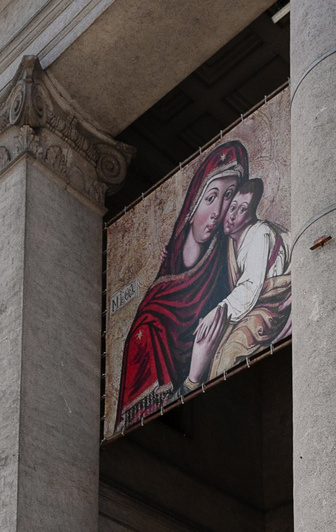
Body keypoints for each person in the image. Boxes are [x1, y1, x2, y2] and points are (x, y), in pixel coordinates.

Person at [113, 141, 248, 434]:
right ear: (192, 203)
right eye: (211, 197)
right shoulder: (150, 326)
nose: (218, 211)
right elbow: (147, 430)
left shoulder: (225, 268)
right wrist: (193, 378)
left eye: (228, 197)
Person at [187, 176, 290, 391]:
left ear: (251, 214)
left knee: (229, 352)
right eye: (232, 206)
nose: (232, 215)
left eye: (242, 209)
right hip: (253, 305)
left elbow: (250, 287)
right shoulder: (231, 241)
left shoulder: (259, 233)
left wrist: (218, 310)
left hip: (272, 304)